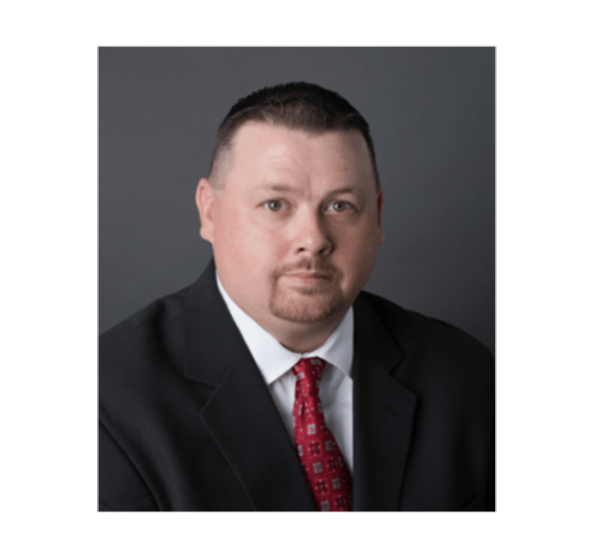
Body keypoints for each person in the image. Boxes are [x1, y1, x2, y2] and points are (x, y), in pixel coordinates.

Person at [97, 82, 496, 513]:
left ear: (378, 215)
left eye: (340, 206)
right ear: (209, 211)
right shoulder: (106, 402)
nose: (314, 239)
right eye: (275, 204)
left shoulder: (464, 375)